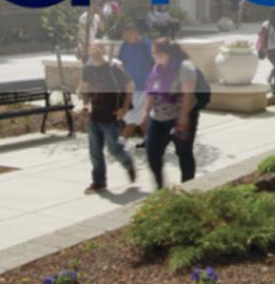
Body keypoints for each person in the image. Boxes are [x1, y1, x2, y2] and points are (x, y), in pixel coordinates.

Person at [77, 41, 136, 194]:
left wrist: (124, 108)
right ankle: (99, 182)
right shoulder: (88, 69)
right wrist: (85, 104)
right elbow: (86, 87)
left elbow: (130, 86)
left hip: (111, 116)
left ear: (103, 51)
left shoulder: (113, 68)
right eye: (92, 48)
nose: (94, 51)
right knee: (95, 152)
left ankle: (128, 164)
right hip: (94, 116)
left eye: (98, 48)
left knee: (114, 149)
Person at [142, 38, 200, 188]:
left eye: (155, 53)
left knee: (183, 153)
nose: (153, 56)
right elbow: (152, 92)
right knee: (152, 152)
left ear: (164, 53)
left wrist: (184, 116)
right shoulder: (157, 68)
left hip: (180, 117)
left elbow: (189, 94)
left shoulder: (184, 67)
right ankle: (161, 188)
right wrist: (146, 112)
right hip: (159, 117)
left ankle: (188, 187)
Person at [115, 21, 153, 142]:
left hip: (143, 86)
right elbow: (120, 63)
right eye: (124, 36)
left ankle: (121, 142)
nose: (126, 38)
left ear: (135, 33)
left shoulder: (146, 45)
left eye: (128, 35)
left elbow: (156, 63)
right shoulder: (125, 45)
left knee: (135, 115)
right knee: (138, 116)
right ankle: (151, 142)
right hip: (129, 87)